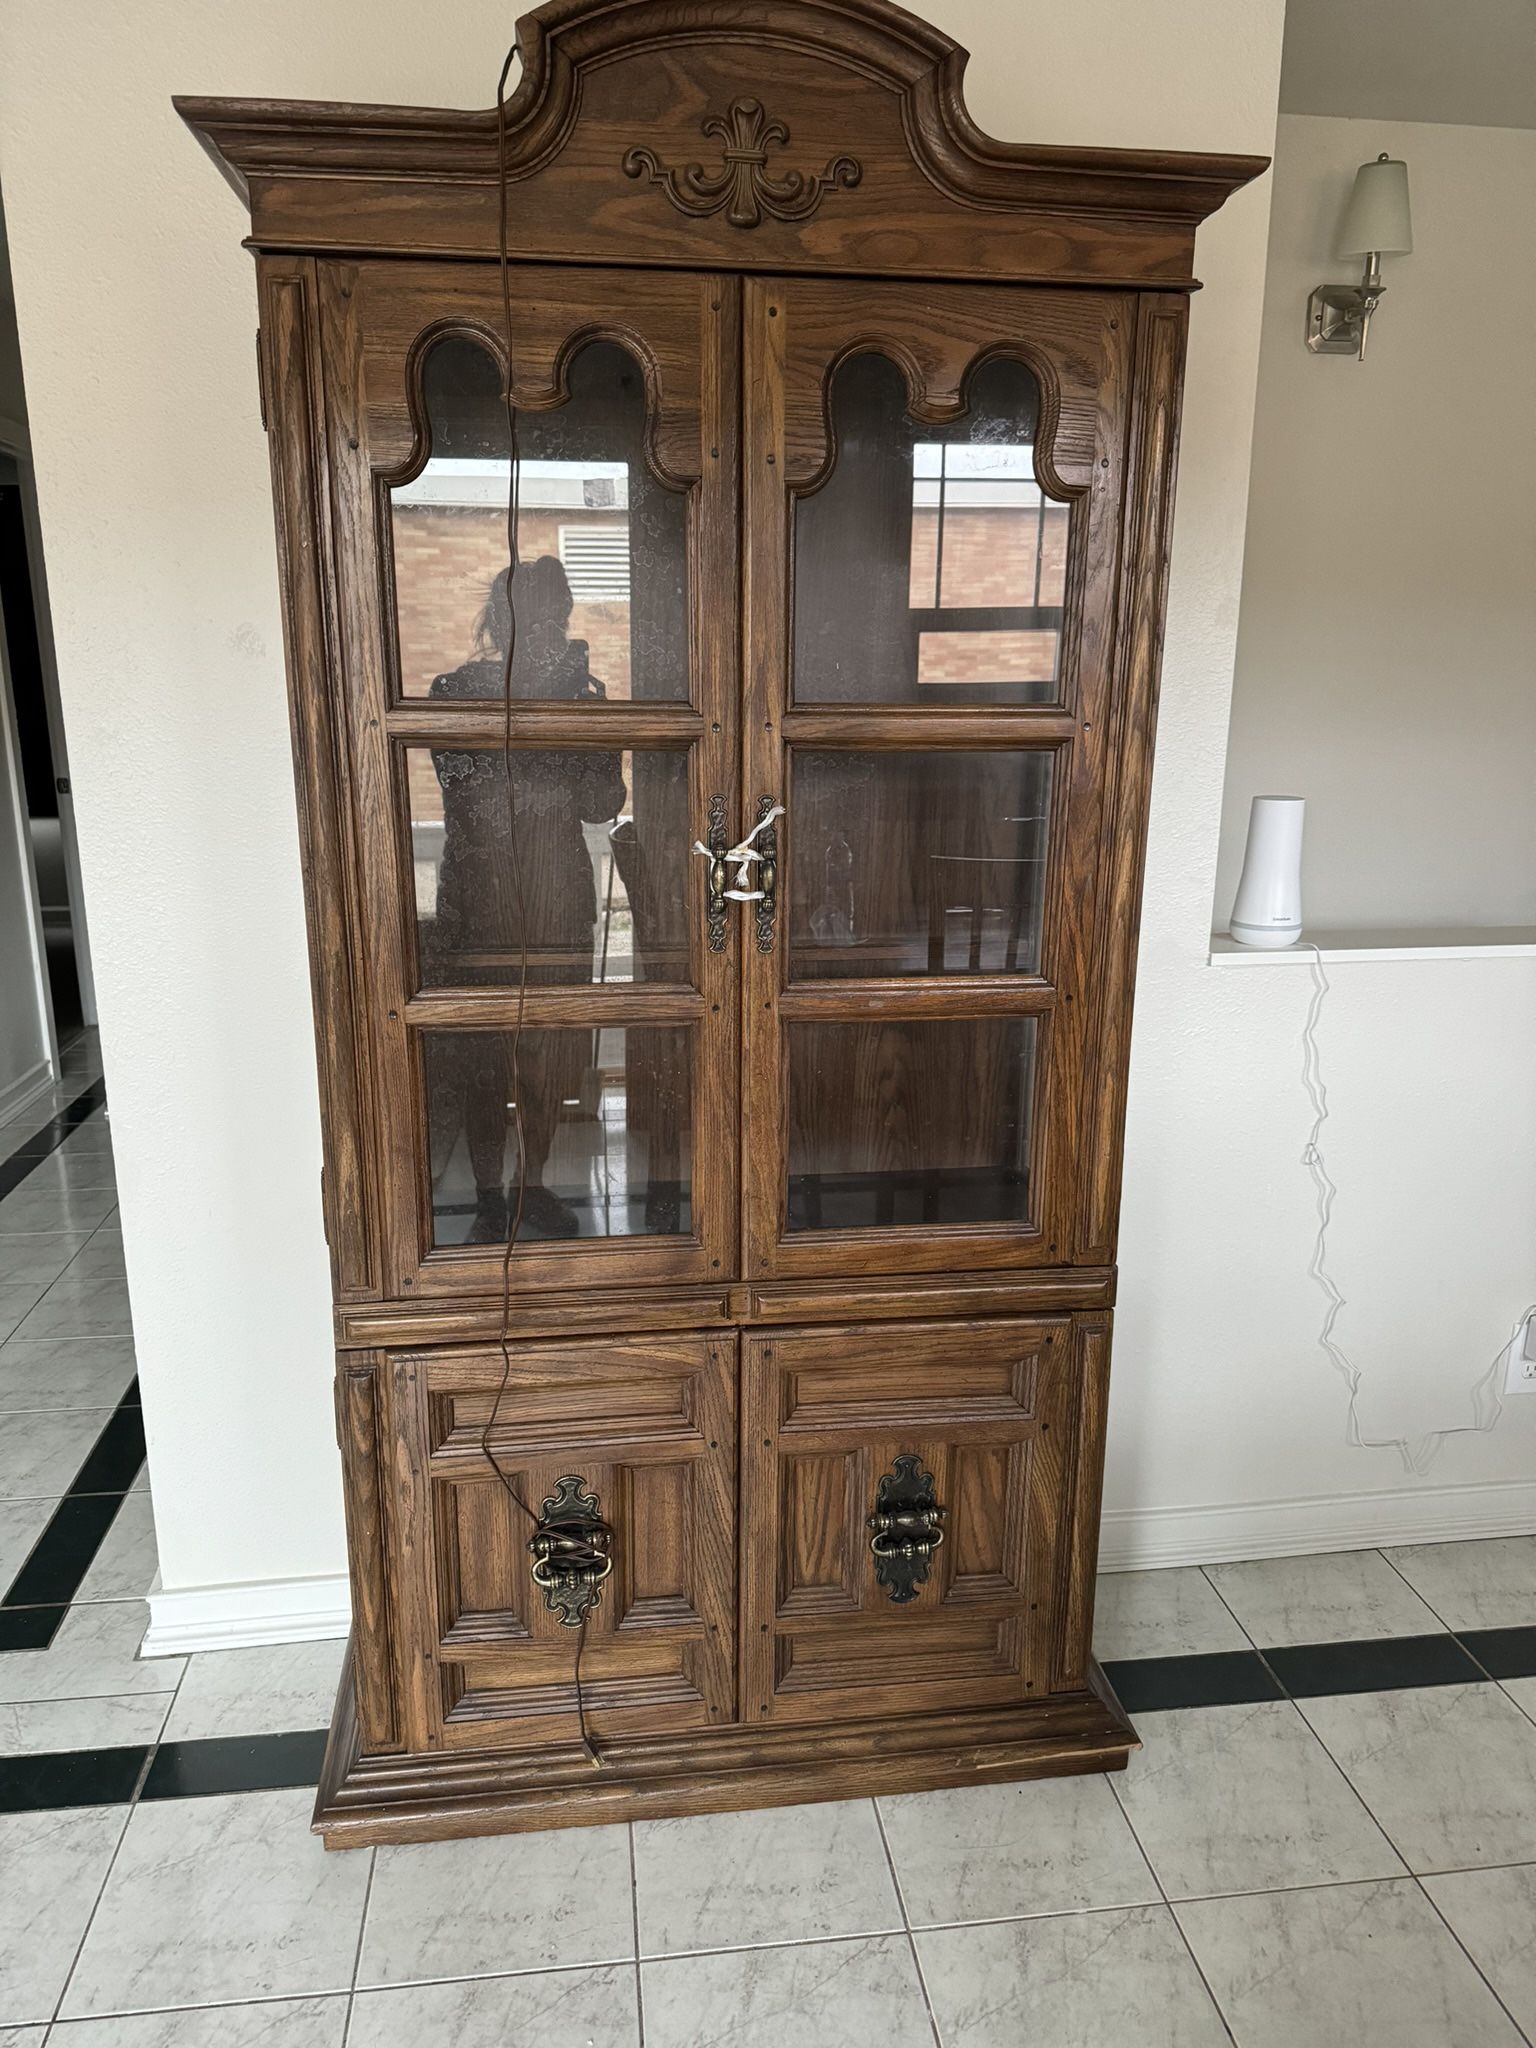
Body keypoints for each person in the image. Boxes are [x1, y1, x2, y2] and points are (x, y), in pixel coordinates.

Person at [424, 557, 626, 1241]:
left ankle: (522, 1187)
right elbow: (470, 794)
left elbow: (602, 803)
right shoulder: (452, 692)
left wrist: (589, 718)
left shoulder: (576, 693)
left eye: (556, 617)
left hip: (539, 891)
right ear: (508, 619)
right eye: (543, 615)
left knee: (540, 1050)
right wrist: (561, 721)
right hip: (496, 894)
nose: (551, 628)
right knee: (494, 1051)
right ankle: (496, 1193)